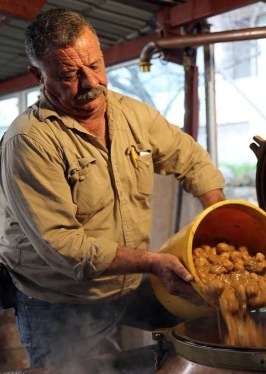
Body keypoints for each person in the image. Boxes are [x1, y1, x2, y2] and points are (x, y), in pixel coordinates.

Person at [0, 8, 225, 369]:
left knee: (203, 335)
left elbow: (190, 158)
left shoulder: (131, 115)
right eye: (70, 75)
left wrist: (218, 214)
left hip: (127, 283)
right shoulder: (30, 141)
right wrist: (154, 263)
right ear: (38, 76)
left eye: (95, 65)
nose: (91, 83)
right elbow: (64, 247)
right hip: (59, 298)